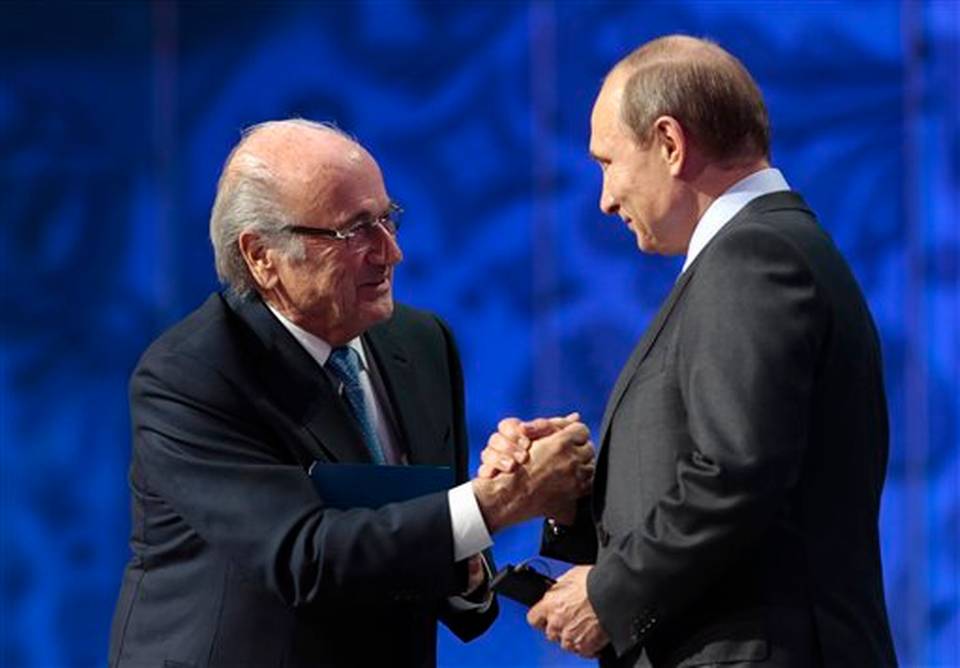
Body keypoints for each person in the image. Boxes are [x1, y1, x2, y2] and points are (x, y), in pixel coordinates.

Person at [108, 119, 595, 668]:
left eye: (387, 219)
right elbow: (304, 556)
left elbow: (434, 557)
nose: (390, 253)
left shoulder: (422, 343)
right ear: (262, 255)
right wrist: (498, 502)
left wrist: (476, 543)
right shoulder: (193, 374)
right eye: (353, 231)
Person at [481, 35, 897, 666]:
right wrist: (571, 500)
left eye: (607, 163)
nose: (605, 198)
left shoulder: (753, 256)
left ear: (671, 144)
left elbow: (739, 471)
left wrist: (608, 595)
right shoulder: (764, 251)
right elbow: (728, 469)